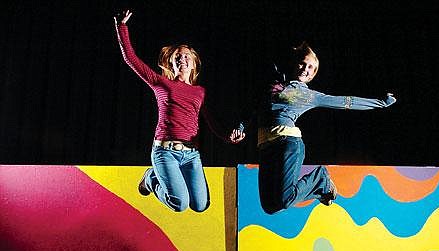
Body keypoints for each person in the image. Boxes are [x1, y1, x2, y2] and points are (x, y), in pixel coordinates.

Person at [114, 10, 244, 212]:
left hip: (191, 155)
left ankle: (159, 177)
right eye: (177, 56)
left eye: (186, 56)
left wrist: (229, 137)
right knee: (180, 204)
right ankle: (150, 179)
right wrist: (121, 26)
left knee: (200, 205)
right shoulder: (161, 83)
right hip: (165, 152)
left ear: (193, 65)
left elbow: (212, 123)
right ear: (171, 63)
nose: (182, 59)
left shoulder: (200, 92)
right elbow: (131, 59)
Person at [250, 42, 396, 214]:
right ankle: (319, 187)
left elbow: (346, 102)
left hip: (286, 144)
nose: (306, 69)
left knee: (284, 199)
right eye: (303, 63)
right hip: (266, 148)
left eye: (311, 67)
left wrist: (381, 103)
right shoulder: (274, 84)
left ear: (313, 75)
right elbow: (254, 109)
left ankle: (320, 178)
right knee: (270, 206)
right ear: (295, 63)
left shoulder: (310, 96)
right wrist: (240, 127)